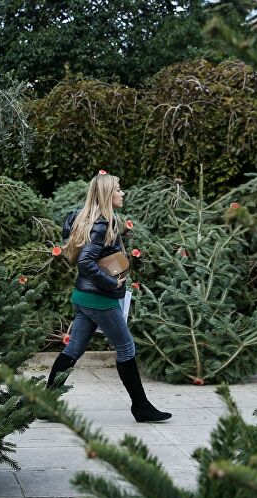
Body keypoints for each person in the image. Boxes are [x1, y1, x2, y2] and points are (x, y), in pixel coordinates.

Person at [47, 172, 172, 423]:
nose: (122, 193)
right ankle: (141, 407)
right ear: (107, 194)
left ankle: (45, 404)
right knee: (126, 348)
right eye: (118, 189)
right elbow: (85, 262)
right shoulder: (103, 223)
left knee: (73, 349)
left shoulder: (85, 218)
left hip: (83, 297)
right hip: (100, 300)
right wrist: (111, 282)